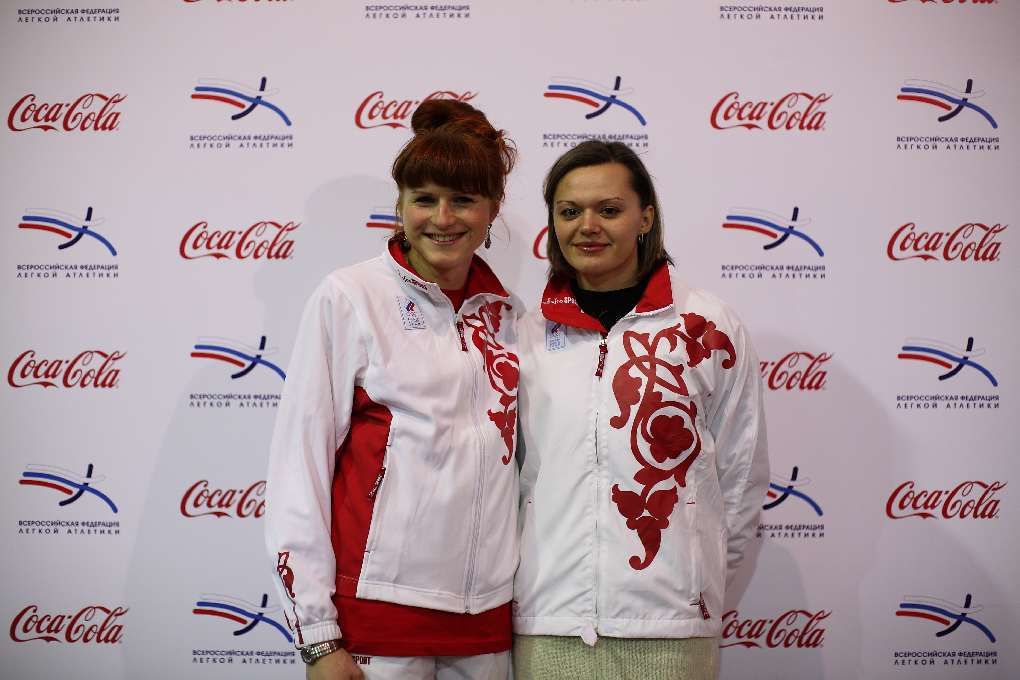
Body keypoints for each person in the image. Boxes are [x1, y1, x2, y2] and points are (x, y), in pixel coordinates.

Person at [265, 99, 520, 680]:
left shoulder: (510, 316)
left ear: (493, 208)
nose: (443, 218)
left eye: (463, 200)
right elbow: (299, 467)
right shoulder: (350, 296)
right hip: (376, 622)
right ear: (400, 205)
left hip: (487, 626)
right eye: (424, 199)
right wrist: (317, 637)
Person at [512, 141, 769, 679]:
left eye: (608, 210)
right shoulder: (525, 334)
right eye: (569, 211)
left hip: (671, 626)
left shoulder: (706, 327)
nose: (587, 226)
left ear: (645, 217)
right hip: (549, 621)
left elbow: (741, 476)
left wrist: (696, 584)